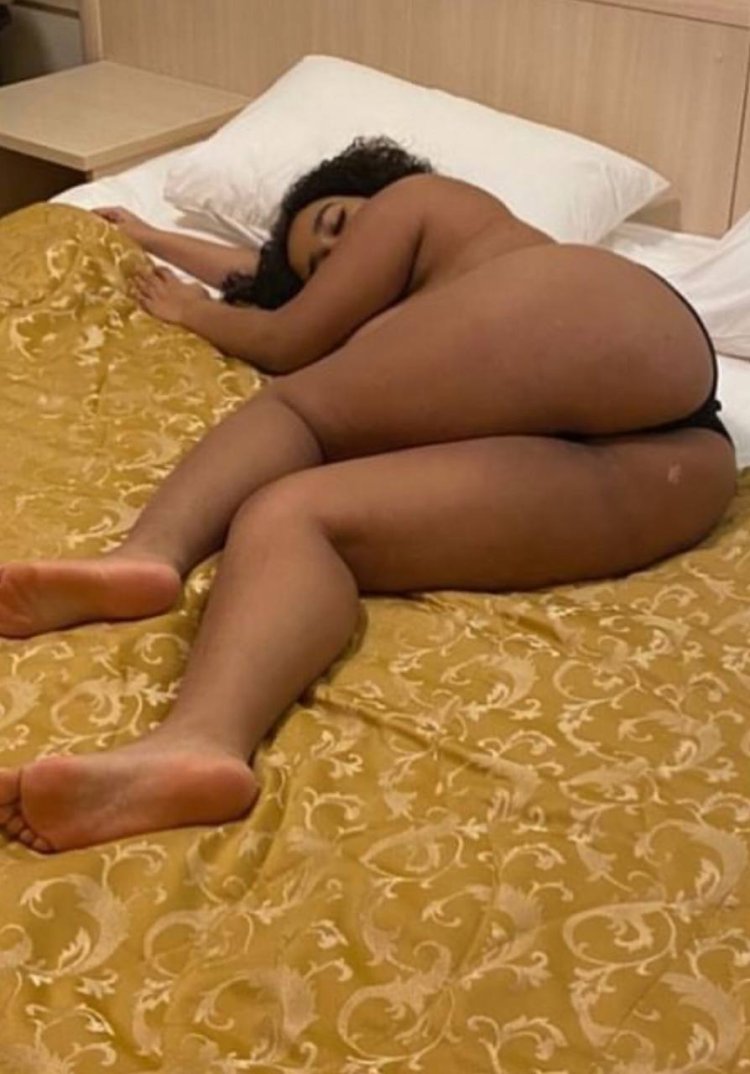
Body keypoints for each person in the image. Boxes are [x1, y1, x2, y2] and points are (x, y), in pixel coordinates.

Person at [0, 137, 736, 853]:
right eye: (322, 266)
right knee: (293, 516)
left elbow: (288, 338)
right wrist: (156, 236)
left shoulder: (418, 201)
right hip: (678, 471)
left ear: (367, 189)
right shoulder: (430, 341)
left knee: (298, 412)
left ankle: (149, 552)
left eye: (336, 224)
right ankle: (200, 744)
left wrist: (197, 311)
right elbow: (277, 287)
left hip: (600, 314)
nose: (341, 254)